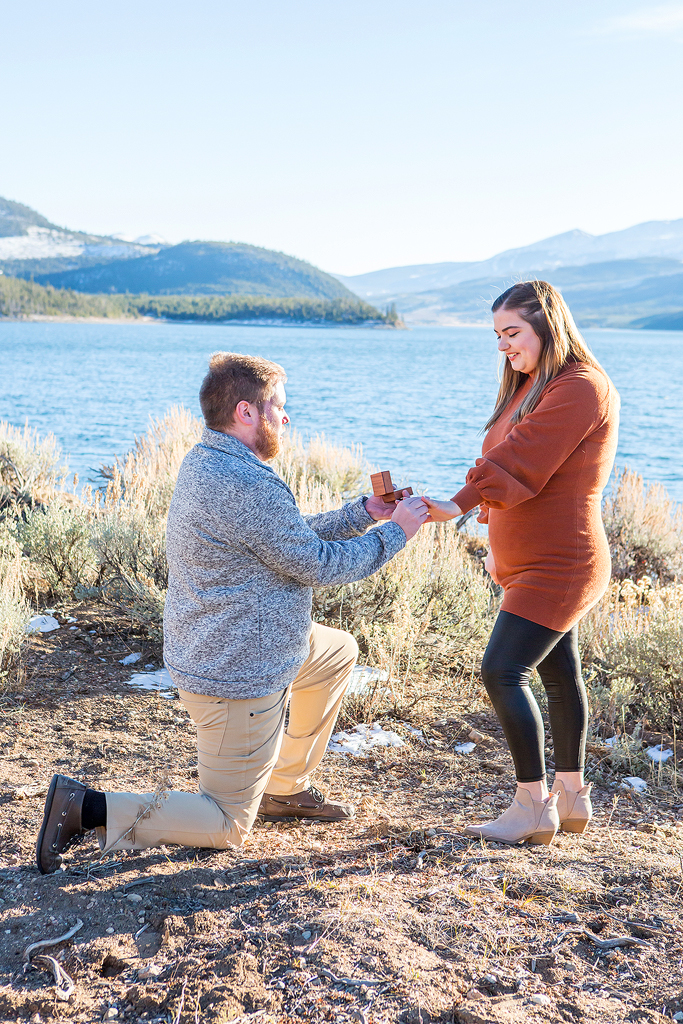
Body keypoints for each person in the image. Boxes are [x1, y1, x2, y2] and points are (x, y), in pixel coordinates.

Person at [36, 352, 429, 874]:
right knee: (226, 822)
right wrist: (396, 532)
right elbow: (316, 564)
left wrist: (362, 514)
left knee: (337, 651)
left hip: (243, 645)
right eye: (279, 409)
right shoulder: (246, 483)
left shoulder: (209, 459)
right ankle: (83, 808)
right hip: (237, 672)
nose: (285, 419)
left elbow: (281, 538)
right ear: (247, 412)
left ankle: (284, 789)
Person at [423, 281, 619, 846]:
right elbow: (511, 467)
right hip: (530, 563)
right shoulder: (534, 385)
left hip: (562, 563)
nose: (503, 347)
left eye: (512, 333)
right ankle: (573, 797)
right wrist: (495, 545)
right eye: (498, 336)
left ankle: (533, 805)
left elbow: (521, 456)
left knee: (501, 670)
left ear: (548, 326)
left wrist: (456, 504)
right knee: (559, 675)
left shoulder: (582, 386)